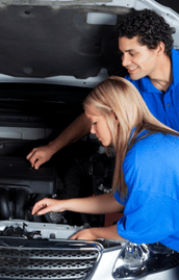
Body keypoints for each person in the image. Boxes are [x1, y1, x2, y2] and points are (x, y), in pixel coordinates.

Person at [32, 77, 179, 249]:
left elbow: (141, 230)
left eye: (95, 122)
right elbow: (119, 200)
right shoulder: (148, 143)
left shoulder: (143, 156)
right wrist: (63, 204)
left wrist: (94, 233)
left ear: (115, 116)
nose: (92, 131)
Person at [27, 9, 177, 169]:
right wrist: (52, 148)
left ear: (158, 48)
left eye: (132, 53)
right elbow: (93, 116)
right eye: (123, 53)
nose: (124, 62)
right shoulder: (129, 87)